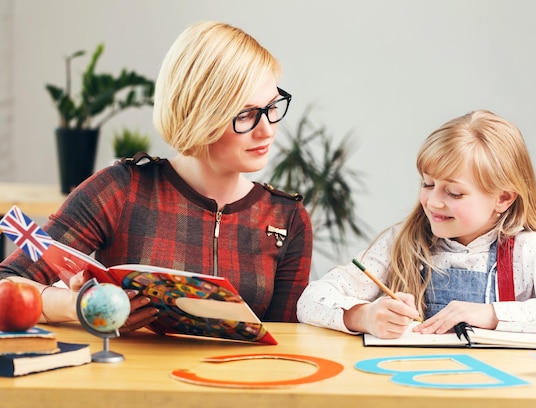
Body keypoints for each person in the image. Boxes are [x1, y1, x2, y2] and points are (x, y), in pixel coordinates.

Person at [0, 20, 313, 332]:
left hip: (242, 380)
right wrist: (75, 306)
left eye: (272, 107)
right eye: (245, 114)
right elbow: (6, 284)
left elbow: (285, 342)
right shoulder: (120, 190)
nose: (267, 129)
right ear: (198, 113)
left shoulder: (286, 218)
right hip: (132, 380)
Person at [297, 109, 536, 339]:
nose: (434, 202)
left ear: (503, 199)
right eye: (427, 184)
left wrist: (491, 315)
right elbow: (311, 300)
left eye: (454, 192)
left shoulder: (529, 252)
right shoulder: (401, 242)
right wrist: (363, 315)